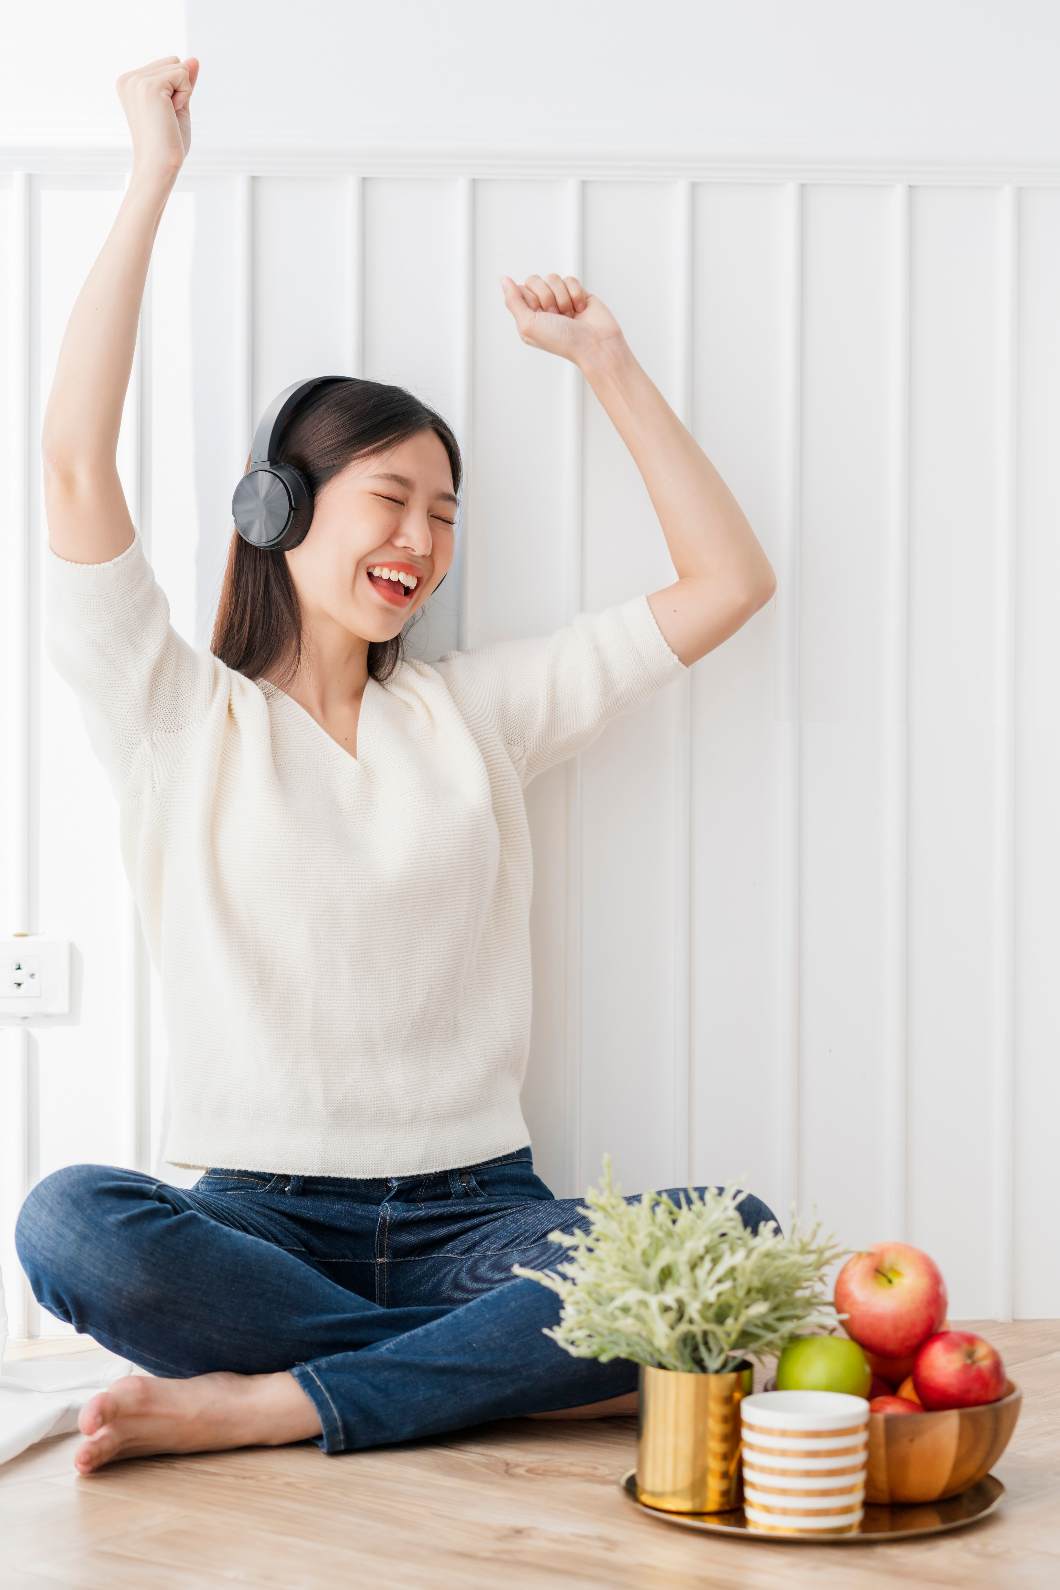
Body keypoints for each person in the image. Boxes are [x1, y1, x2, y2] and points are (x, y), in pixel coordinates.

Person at [15, 56, 781, 1474]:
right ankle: (496, 1378)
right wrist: (150, 173)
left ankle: (281, 1398)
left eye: (445, 513)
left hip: (478, 1221)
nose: (424, 543)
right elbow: (70, 466)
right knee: (65, 1220)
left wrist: (607, 363)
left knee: (727, 1238)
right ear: (277, 508)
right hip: (253, 1223)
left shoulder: (477, 711)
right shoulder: (175, 714)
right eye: (393, 499)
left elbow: (729, 579)